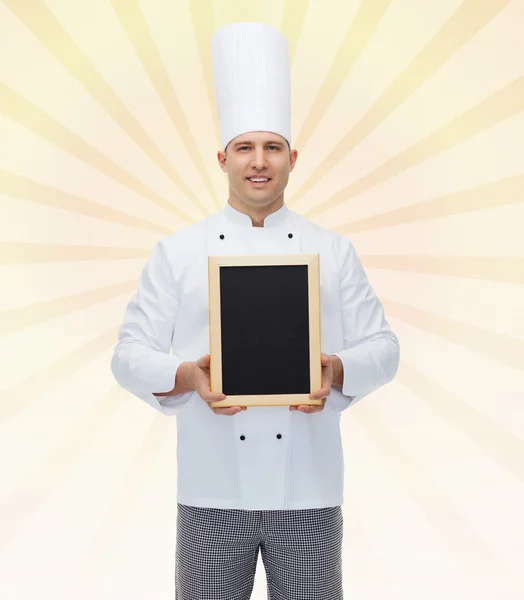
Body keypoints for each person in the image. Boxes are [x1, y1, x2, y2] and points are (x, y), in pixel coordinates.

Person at [111, 21, 400, 600]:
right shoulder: (179, 252)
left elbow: (384, 349)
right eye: (245, 148)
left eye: (272, 147)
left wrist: (334, 369)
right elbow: (127, 355)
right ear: (223, 157)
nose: (259, 162)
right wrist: (188, 375)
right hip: (211, 490)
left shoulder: (333, 250)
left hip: (310, 492)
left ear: (293, 157)